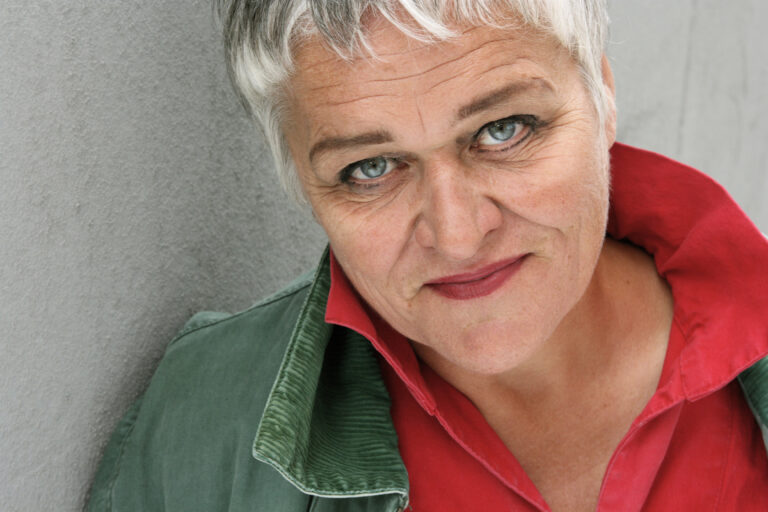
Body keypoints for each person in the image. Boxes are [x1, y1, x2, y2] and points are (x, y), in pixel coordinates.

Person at [87, 1, 768, 510]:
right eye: (371, 167)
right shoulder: (205, 427)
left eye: (502, 129)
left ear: (602, 96)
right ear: (299, 179)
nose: (458, 235)